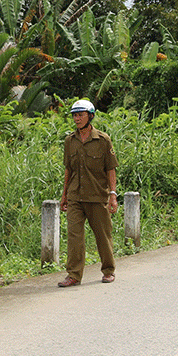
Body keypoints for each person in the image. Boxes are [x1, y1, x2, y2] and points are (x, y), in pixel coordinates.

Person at [58, 99, 118, 287]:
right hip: (75, 196)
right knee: (74, 236)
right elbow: (68, 170)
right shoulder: (70, 141)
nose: (77, 119)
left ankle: (108, 270)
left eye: (80, 115)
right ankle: (74, 275)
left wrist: (113, 194)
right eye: (74, 115)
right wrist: (64, 195)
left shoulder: (103, 140)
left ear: (90, 116)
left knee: (103, 235)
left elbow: (110, 169)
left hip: (97, 196)